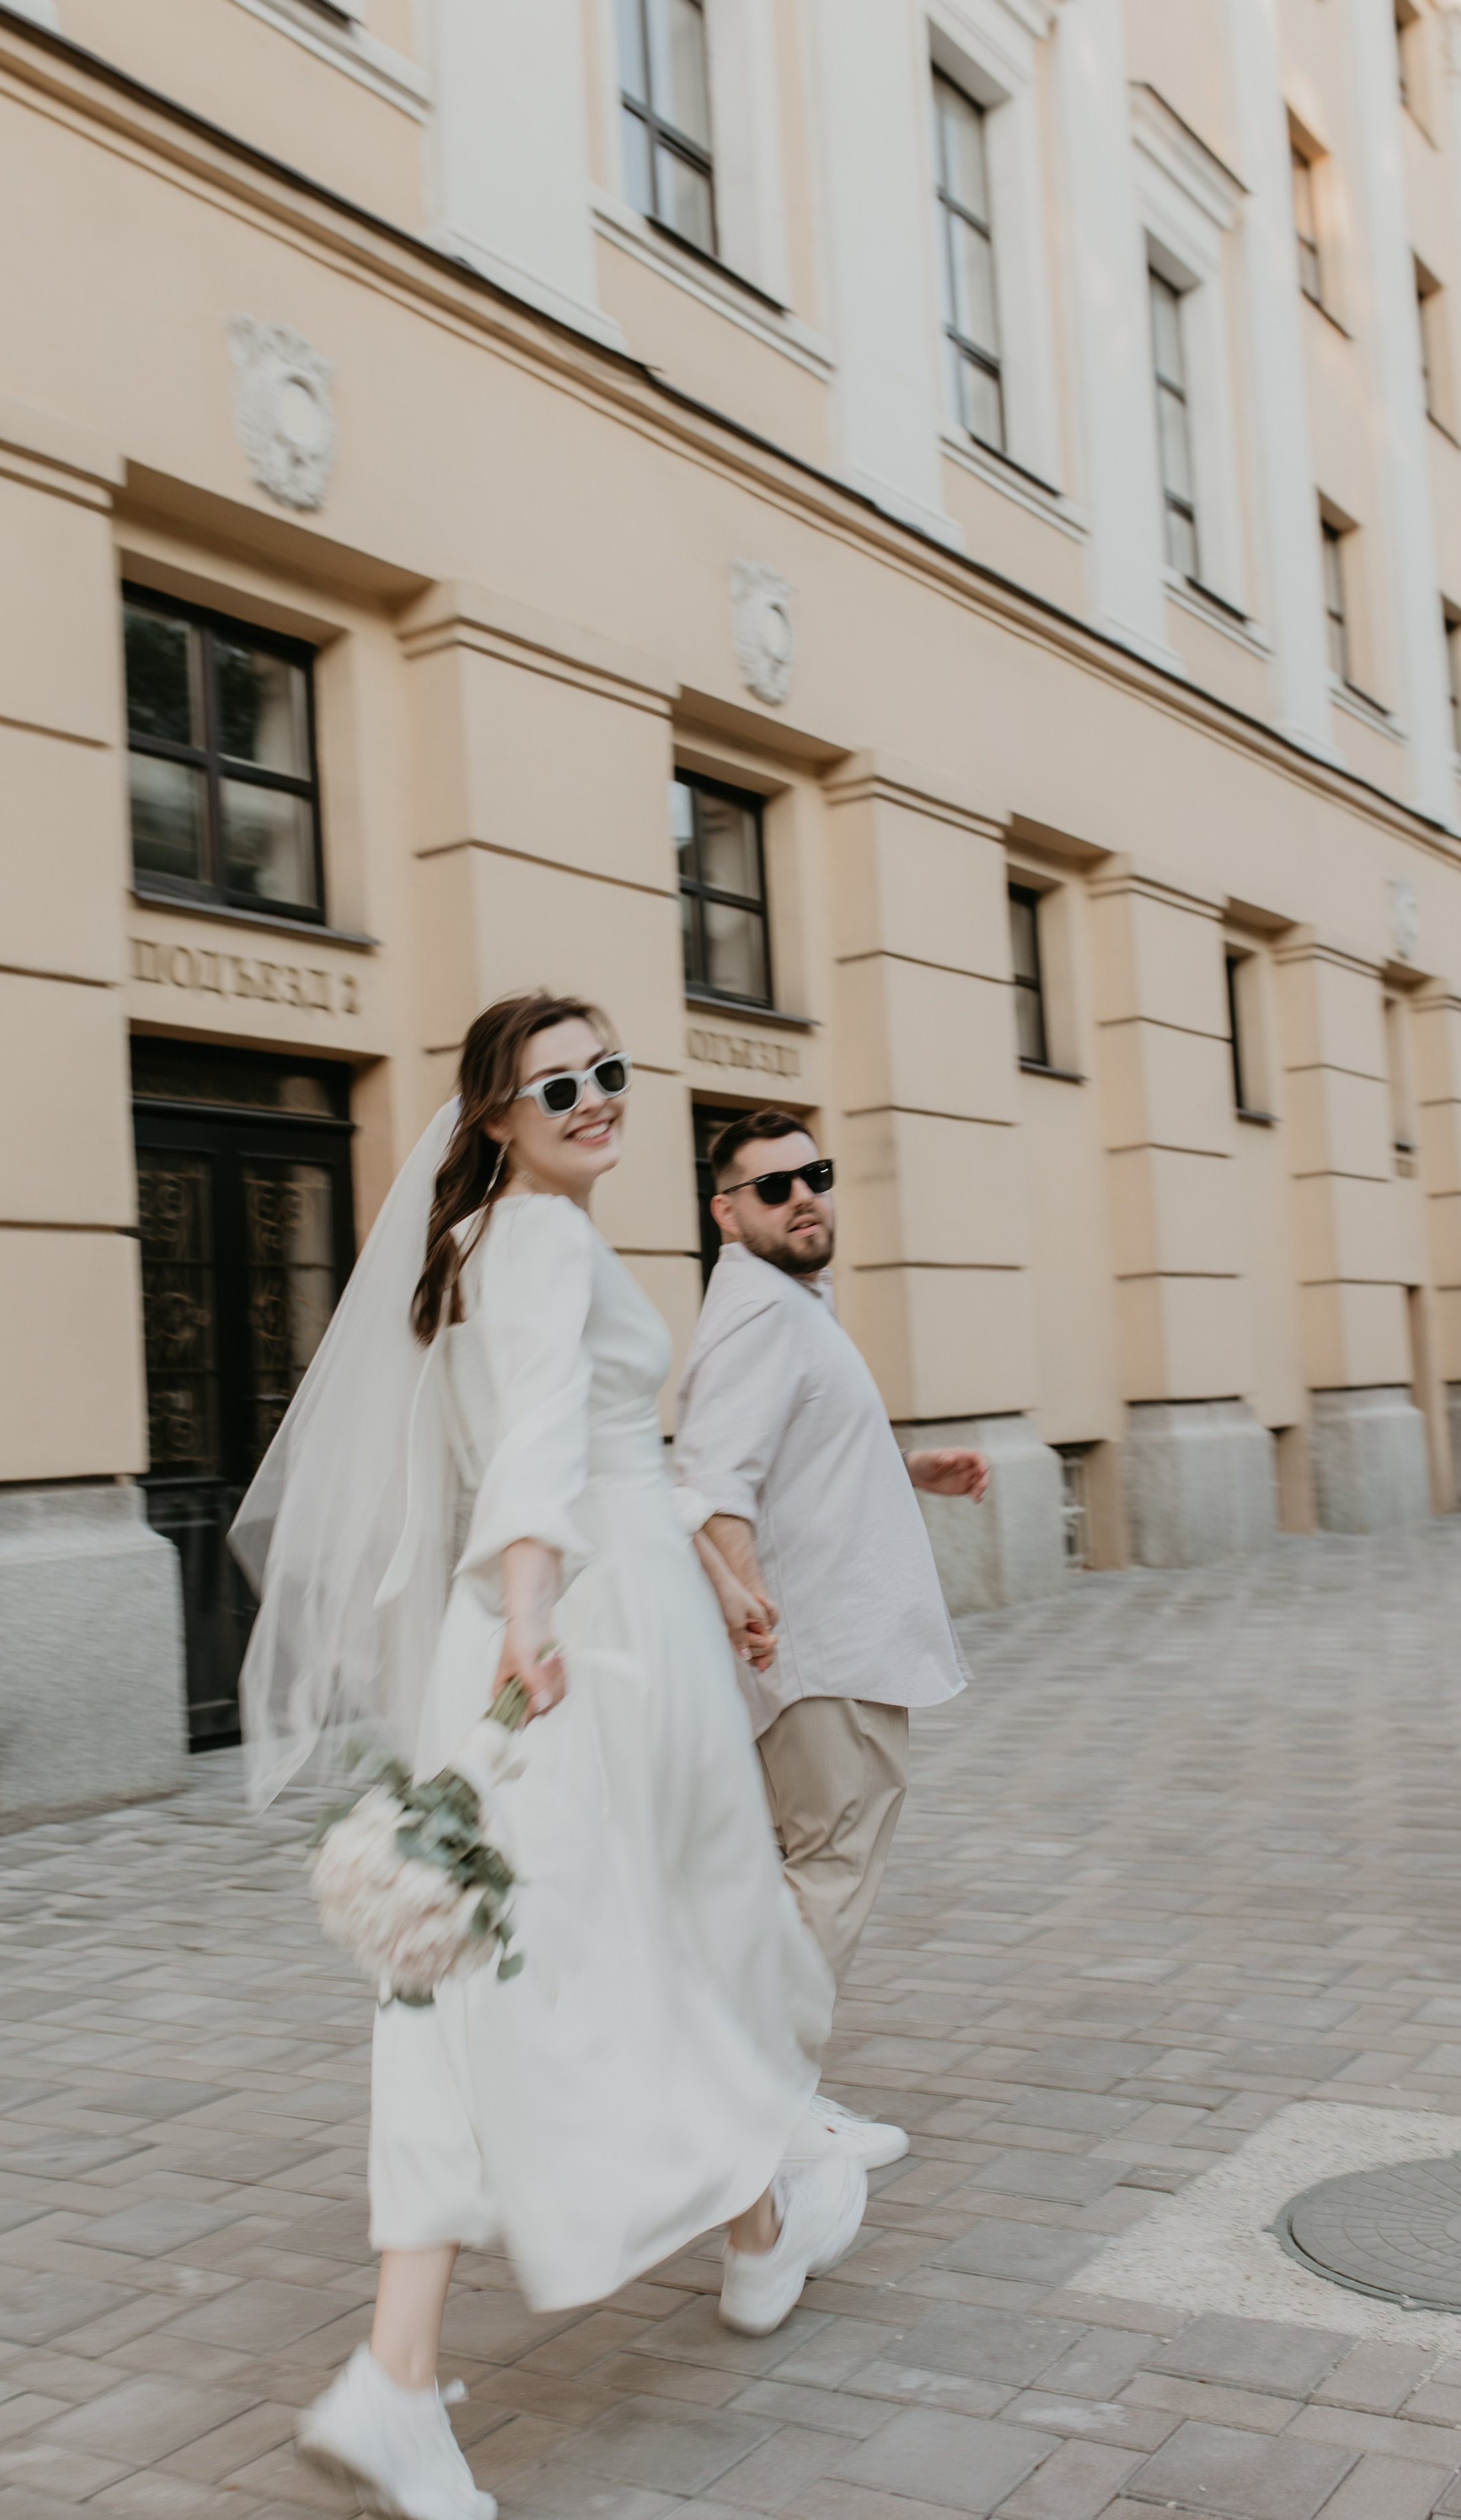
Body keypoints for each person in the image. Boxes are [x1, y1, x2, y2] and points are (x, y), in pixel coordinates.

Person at [233, 999, 864, 2520]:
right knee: (585, 1958)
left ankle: (754, 2225)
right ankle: (736, 2229)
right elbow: (525, 1445)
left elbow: (596, 1448)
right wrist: (530, 1609)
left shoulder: (497, 1242)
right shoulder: (536, 1240)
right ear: (497, 1119)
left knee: (605, 1945)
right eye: (554, 1087)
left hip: (611, 1616)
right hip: (578, 1647)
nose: (592, 1101)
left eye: (607, 1074)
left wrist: (708, 1573)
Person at [674, 1109, 989, 2171]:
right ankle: (767, 2112)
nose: (804, 1195)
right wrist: (758, 1617)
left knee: (792, 1879)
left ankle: (765, 2091)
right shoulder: (764, 1311)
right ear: (727, 1213)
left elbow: (793, 1457)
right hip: (818, 1659)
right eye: (773, 1187)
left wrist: (909, 1471)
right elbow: (714, 1482)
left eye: (815, 1174)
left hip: (826, 1649)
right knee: (828, 1872)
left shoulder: (788, 1303)